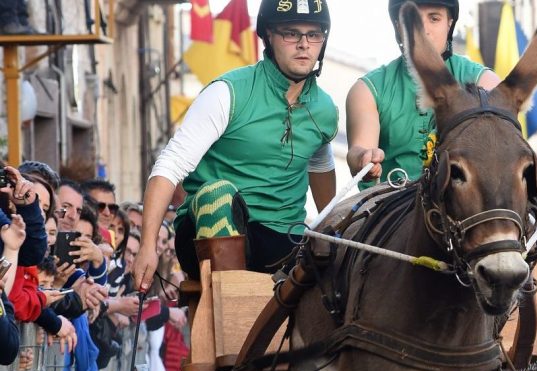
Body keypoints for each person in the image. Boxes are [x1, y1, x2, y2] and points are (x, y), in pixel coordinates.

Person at [133, 0, 337, 291]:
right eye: (291, 33)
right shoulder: (227, 92)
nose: (304, 44)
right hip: (208, 235)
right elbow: (169, 166)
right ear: (268, 35)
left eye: (314, 34)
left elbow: (321, 167)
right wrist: (147, 246)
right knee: (218, 194)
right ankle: (229, 306)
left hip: (283, 242)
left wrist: (334, 234)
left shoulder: (325, 110)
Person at [346, 0, 500, 186]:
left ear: (449, 24)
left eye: (434, 18)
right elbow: (359, 148)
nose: (423, 30)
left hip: (465, 207)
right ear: (398, 26)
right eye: (413, 21)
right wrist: (364, 157)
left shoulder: (486, 83)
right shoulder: (366, 90)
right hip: (389, 205)